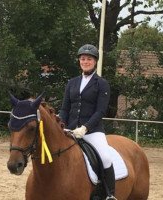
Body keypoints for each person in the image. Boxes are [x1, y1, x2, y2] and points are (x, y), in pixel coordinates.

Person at [59, 44, 117, 200]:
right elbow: (64, 108)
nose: (85, 61)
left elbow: (100, 111)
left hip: (93, 131)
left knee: (105, 157)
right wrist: (60, 125)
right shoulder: (72, 82)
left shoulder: (102, 83)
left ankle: (110, 194)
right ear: (79, 61)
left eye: (89, 59)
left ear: (95, 61)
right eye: (83, 59)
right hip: (70, 130)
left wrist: (85, 128)